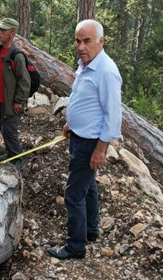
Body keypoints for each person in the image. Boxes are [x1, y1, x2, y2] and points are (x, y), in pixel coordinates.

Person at [48, 19, 122, 260]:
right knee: (88, 186)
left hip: (91, 143)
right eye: (78, 41)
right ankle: (90, 231)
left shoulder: (107, 72)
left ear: (101, 42)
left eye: (87, 41)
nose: (81, 46)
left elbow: (113, 117)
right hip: (79, 136)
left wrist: (100, 150)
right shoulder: (85, 64)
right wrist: (72, 122)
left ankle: (75, 245)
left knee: (73, 194)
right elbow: (84, 99)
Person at [0, 17, 31, 168]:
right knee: (3, 128)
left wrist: (18, 101)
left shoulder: (17, 55)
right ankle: (10, 153)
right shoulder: (1, 50)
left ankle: (17, 159)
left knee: (10, 131)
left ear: (12, 33)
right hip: (1, 100)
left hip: (11, 103)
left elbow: (24, 81)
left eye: (3, 30)